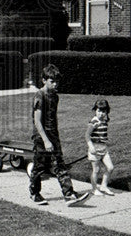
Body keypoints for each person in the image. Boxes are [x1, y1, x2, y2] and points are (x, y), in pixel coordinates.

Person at [28, 64, 90, 206]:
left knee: (60, 165)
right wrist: (46, 141)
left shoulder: (55, 96)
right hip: (41, 137)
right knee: (39, 167)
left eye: (57, 81)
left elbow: (53, 117)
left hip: (53, 136)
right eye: (52, 81)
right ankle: (34, 193)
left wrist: (54, 137)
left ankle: (69, 194)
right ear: (44, 80)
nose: (56, 84)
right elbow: (37, 121)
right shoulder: (40, 95)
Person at [86, 99, 115, 196]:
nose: (101, 114)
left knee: (110, 167)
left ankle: (103, 186)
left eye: (103, 111)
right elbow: (87, 135)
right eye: (99, 111)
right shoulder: (94, 121)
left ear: (107, 111)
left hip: (103, 148)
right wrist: (91, 147)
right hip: (94, 148)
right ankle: (94, 189)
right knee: (96, 170)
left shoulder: (105, 120)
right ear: (95, 110)